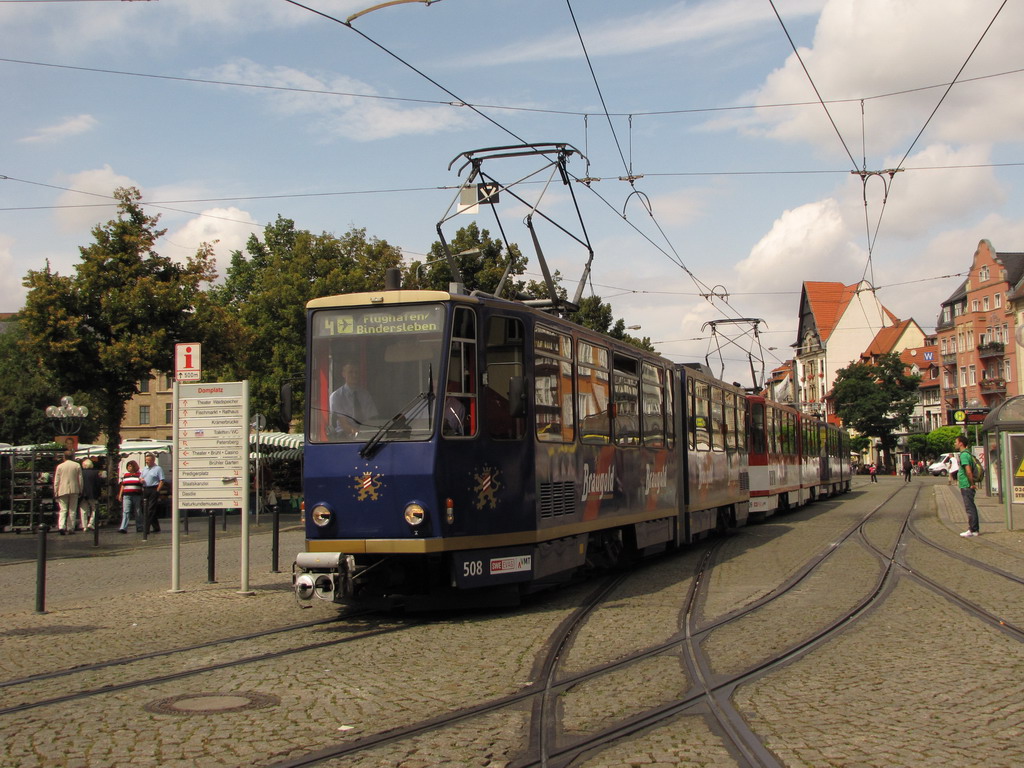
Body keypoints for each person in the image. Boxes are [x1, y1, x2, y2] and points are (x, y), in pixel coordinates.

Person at [329, 361, 378, 437]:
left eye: (356, 372)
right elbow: (343, 423)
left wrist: (371, 432)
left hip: (366, 435)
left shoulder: (365, 394)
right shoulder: (336, 396)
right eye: (350, 372)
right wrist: (358, 433)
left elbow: (371, 418)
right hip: (344, 436)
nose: (354, 375)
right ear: (343, 374)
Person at [53, 451, 83, 535]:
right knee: (72, 510)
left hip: (62, 490)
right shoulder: (77, 465)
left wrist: (55, 491)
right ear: (72, 457)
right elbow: (80, 479)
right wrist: (80, 489)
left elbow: (56, 480)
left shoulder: (60, 466)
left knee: (63, 509)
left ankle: (61, 526)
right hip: (74, 489)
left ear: (64, 457)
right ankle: (70, 527)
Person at [956, 435, 980, 538]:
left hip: (966, 485)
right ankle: (974, 529)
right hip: (966, 484)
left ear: (961, 443)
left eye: (956, 442)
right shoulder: (966, 454)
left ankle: (973, 530)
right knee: (970, 507)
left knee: (969, 508)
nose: (955, 444)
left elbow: (968, 471)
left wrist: (972, 484)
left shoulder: (964, 455)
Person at [140, 453, 165, 533]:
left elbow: (162, 480)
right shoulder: (145, 469)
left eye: (148, 460)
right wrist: (141, 480)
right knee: (144, 508)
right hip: (146, 489)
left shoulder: (158, 468)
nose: (147, 462)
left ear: (153, 460)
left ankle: (146, 528)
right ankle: (156, 526)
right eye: (146, 460)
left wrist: (157, 490)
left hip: (153, 488)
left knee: (150, 509)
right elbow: (141, 477)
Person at [118, 460, 143, 533]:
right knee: (126, 511)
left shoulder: (139, 475)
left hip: (136, 495)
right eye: (128, 466)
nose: (129, 467)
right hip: (126, 495)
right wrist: (120, 494)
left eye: (130, 466)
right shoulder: (126, 475)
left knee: (138, 511)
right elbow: (123, 485)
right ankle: (123, 527)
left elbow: (142, 485)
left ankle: (139, 526)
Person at [78, 458, 101, 531]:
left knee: (83, 510)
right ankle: (91, 523)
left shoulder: (81, 472)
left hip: (83, 493)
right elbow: (98, 484)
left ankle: (84, 526)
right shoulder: (95, 472)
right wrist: (99, 493)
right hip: (93, 493)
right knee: (95, 508)